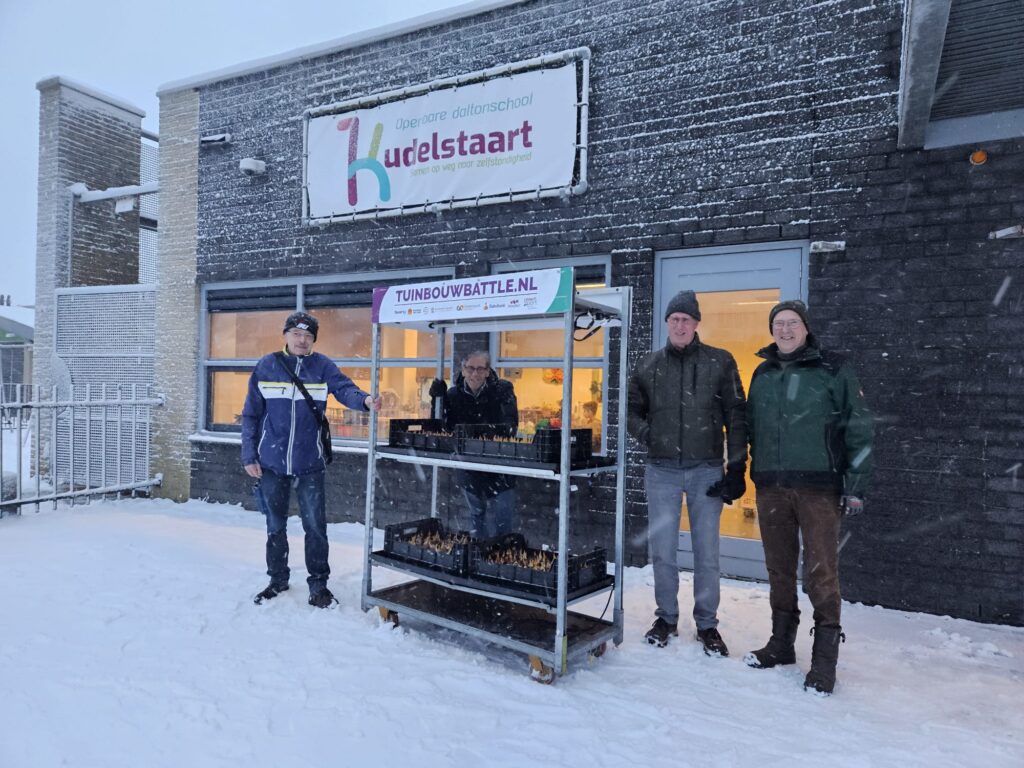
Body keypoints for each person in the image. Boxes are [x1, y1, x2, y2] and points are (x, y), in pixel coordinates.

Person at [744, 300, 873, 695]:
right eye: (778, 324)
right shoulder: (763, 373)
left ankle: (824, 661)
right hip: (771, 486)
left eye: (792, 323)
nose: (785, 330)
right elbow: (751, 426)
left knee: (821, 571)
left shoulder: (833, 369)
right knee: (779, 568)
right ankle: (781, 644)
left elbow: (859, 426)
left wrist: (855, 485)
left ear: (806, 328)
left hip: (819, 488)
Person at [627, 290, 748, 655]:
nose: (680, 325)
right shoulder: (648, 365)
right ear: (667, 323)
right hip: (661, 470)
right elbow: (631, 411)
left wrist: (737, 466)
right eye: (674, 319)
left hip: (706, 470)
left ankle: (707, 624)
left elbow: (736, 414)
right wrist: (650, 435)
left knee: (706, 553)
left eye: (686, 320)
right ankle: (666, 617)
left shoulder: (720, 362)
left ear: (697, 324)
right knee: (663, 550)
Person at [242, 311, 378, 608]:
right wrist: (249, 454)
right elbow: (251, 414)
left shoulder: (322, 366)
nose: (302, 340)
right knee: (275, 525)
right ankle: (277, 579)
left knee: (315, 527)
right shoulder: (267, 365)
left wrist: (365, 401)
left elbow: (344, 389)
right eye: (296, 334)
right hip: (271, 463)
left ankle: (318, 586)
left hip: (309, 463)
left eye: (308, 336)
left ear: (314, 340)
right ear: (285, 335)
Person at [429, 351, 518, 539]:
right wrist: (437, 401)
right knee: (477, 515)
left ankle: (501, 551)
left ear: (487, 371)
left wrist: (476, 433)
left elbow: (510, 426)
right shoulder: (454, 395)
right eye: (470, 368)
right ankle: (481, 551)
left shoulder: (502, 390)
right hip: (468, 466)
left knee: (502, 519)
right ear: (463, 370)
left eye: (480, 369)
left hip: (499, 464)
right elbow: (442, 428)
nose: (474, 374)